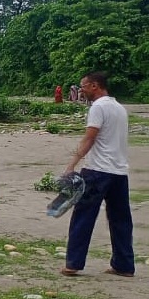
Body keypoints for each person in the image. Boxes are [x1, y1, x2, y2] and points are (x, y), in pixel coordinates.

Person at [60, 71, 135, 277]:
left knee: (83, 216)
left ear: (94, 85)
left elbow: (89, 138)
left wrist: (72, 163)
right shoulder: (119, 108)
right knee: (120, 219)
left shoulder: (98, 107)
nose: (81, 90)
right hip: (119, 172)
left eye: (83, 86)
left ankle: (73, 264)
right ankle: (124, 265)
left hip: (97, 170)